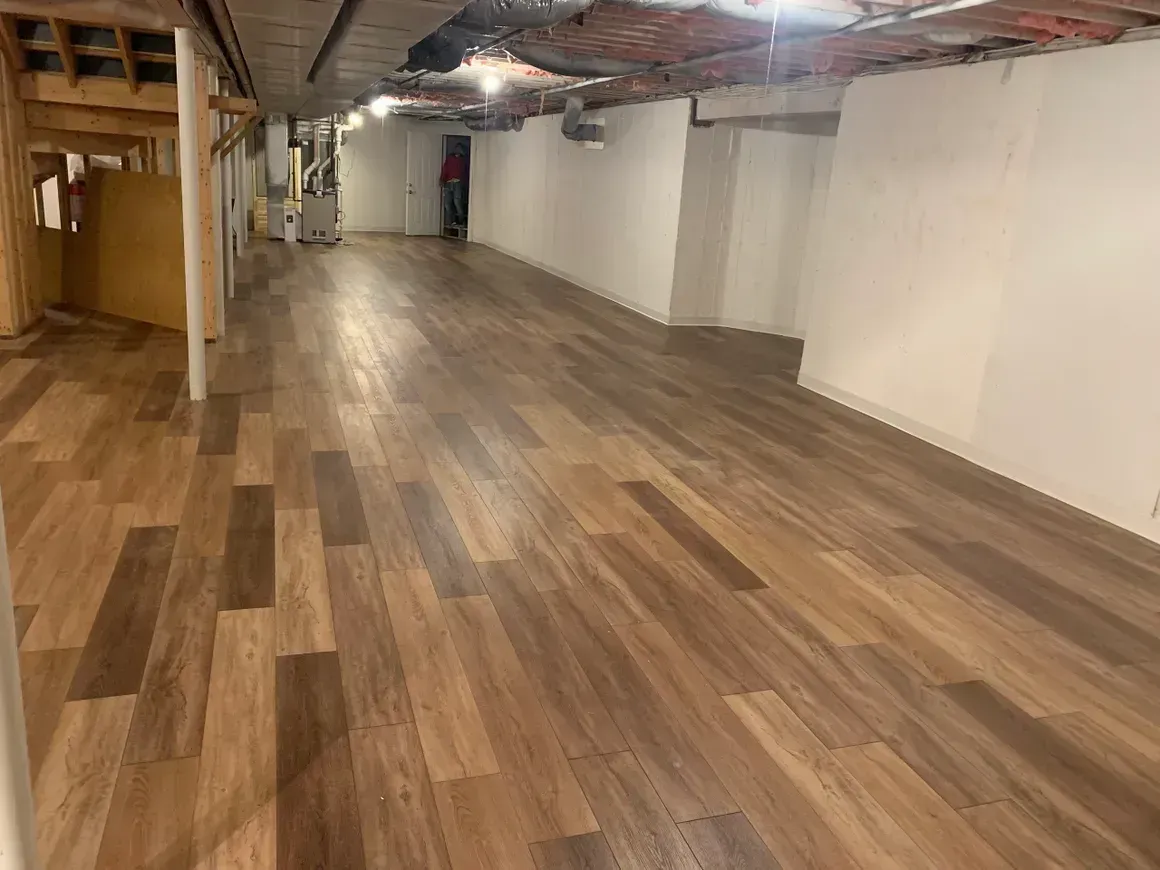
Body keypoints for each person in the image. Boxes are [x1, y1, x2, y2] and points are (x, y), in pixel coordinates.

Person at [440, 143, 468, 228]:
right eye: (457, 148)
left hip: (458, 183)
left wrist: (463, 182)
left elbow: (466, 173)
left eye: (460, 148)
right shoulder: (449, 158)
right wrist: (442, 179)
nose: (458, 150)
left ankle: (461, 221)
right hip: (448, 183)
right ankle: (452, 221)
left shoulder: (463, 160)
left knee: (457, 202)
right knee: (447, 204)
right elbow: (445, 169)